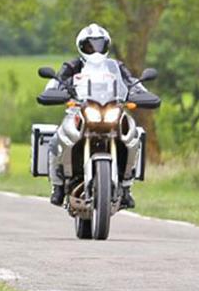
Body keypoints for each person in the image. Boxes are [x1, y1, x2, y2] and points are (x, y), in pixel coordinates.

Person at [48, 23, 142, 209]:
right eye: (90, 45)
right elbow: (54, 83)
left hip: (110, 108)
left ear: (106, 46)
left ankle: (126, 186)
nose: (95, 50)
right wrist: (53, 91)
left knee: (134, 136)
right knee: (56, 139)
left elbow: (131, 83)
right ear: (81, 46)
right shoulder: (72, 66)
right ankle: (57, 186)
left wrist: (140, 92)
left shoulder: (116, 67)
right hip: (79, 110)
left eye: (99, 45)